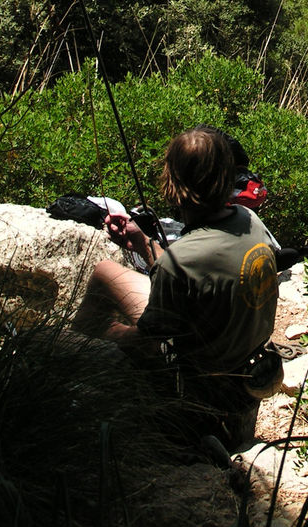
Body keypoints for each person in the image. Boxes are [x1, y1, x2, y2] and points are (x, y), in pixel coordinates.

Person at [71, 127, 279, 439]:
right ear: (227, 177)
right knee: (105, 271)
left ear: (172, 182)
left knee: (78, 332)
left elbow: (148, 344)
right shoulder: (250, 222)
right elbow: (192, 274)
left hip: (199, 392)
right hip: (244, 368)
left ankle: (75, 356)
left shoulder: (179, 261)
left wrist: (102, 331)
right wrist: (144, 243)